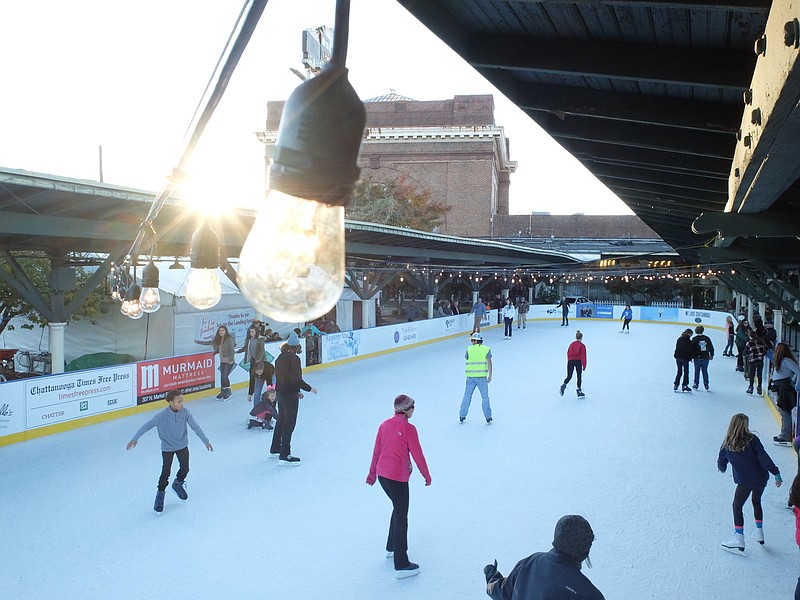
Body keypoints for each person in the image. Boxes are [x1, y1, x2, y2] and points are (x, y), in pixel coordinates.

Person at [366, 394, 431, 579]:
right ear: (405, 409)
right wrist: (426, 475)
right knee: (402, 516)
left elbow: (376, 450)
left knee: (398, 508)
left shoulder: (384, 424)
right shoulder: (409, 428)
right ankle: (401, 564)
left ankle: (392, 546)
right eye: (412, 406)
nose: (414, 409)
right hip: (397, 479)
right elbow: (418, 454)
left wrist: (372, 474)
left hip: (383, 477)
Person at [126, 389, 213, 513]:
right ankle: (160, 495)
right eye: (179, 402)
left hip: (182, 445)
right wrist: (135, 439)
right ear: (171, 402)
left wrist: (205, 440)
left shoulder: (185, 413)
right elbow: (147, 425)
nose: (182, 404)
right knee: (165, 472)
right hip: (168, 448)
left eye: (182, 401)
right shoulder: (161, 416)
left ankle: (178, 484)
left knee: (185, 468)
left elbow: (195, 427)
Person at [483, 514, 604, 600]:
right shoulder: (588, 594)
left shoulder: (530, 563)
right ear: (585, 549)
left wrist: (491, 575)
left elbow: (503, 592)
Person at [717, 413, 782, 554]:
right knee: (756, 502)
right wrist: (776, 473)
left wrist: (722, 468)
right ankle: (760, 534)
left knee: (737, 506)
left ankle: (739, 538)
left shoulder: (727, 444)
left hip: (745, 482)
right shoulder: (753, 440)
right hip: (760, 479)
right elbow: (764, 457)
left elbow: (721, 462)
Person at [269, 332, 317, 466]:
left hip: (281, 393)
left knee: (281, 421)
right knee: (289, 424)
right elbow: (296, 379)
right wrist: (309, 388)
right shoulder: (294, 359)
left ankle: (275, 448)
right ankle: (285, 455)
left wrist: (297, 391)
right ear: (296, 347)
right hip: (289, 396)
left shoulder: (280, 357)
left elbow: (285, 378)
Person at [766, 342, 799, 445]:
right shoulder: (781, 361)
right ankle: (785, 433)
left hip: (784, 388)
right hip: (781, 387)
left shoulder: (786, 361)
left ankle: (785, 435)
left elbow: (798, 371)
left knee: (784, 410)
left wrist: (795, 384)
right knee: (782, 409)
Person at [460, 332, 493, 423]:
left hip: (470, 377)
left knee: (467, 396)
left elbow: (467, 358)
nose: (471, 342)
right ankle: (488, 416)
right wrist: (490, 375)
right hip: (482, 377)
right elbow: (489, 362)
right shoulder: (486, 349)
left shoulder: (469, 349)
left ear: (475, 341)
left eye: (472, 340)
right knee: (485, 397)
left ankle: (462, 415)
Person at [238, 325, 268, 403]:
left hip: (260, 360)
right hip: (252, 359)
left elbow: (262, 350)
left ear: (256, 332)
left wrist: (258, 359)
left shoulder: (260, 340)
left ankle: (261, 386)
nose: (251, 333)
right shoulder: (249, 339)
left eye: (253, 332)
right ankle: (252, 389)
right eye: (250, 332)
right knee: (251, 374)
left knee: (259, 374)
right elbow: (245, 348)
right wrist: (238, 351)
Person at [560, 330, 587, 398]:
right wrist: (584, 365)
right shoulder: (582, 345)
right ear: (581, 338)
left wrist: (569, 360)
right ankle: (579, 391)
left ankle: (564, 385)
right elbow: (583, 356)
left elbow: (568, 352)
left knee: (569, 376)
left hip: (570, 361)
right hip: (578, 361)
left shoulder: (571, 344)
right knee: (579, 376)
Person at [212, 325, 236, 400]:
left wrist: (231, 360)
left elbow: (232, 349)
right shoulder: (219, 339)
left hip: (229, 361)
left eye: (222, 330)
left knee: (225, 376)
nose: (221, 332)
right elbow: (211, 343)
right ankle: (223, 391)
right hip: (222, 361)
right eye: (220, 331)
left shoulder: (229, 338)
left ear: (225, 331)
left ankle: (228, 391)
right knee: (222, 377)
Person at [744, 329, 768, 395]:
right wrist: (762, 355)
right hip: (760, 360)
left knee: (752, 374)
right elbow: (766, 349)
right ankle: (759, 388)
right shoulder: (761, 341)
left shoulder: (749, 343)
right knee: (759, 374)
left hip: (752, 361)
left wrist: (749, 355)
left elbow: (745, 351)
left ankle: (751, 387)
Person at [690, 325, 714, 391]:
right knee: (705, 371)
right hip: (705, 357)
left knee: (697, 371)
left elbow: (692, 349)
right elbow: (711, 347)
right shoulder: (707, 338)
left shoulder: (694, 339)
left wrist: (691, 356)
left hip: (697, 357)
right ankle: (706, 384)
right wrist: (712, 355)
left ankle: (696, 383)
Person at [673, 328, 694, 392]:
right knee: (686, 372)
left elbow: (677, 348)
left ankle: (676, 384)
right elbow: (689, 351)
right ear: (689, 334)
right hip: (684, 358)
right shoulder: (689, 342)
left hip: (678, 357)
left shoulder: (679, 339)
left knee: (679, 371)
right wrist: (690, 358)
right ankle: (684, 385)